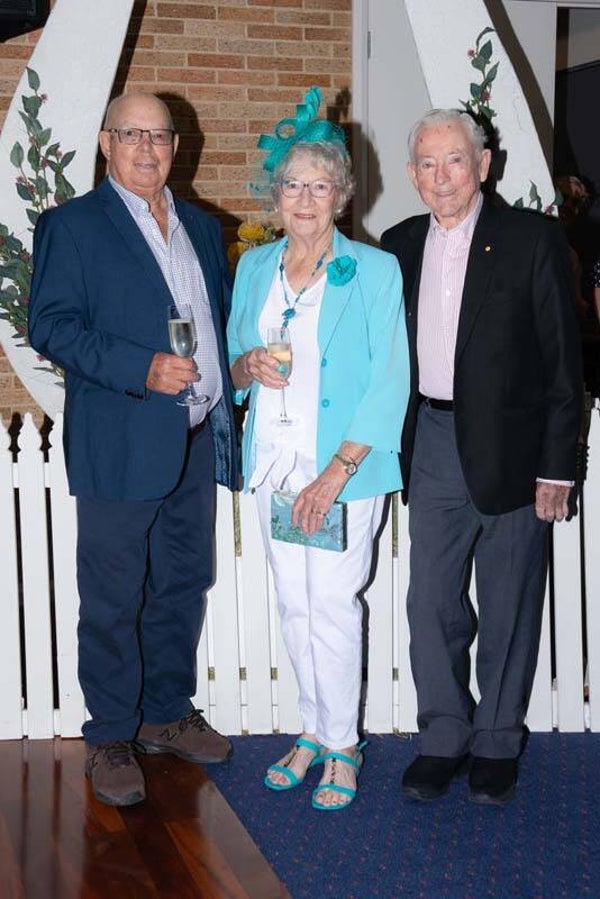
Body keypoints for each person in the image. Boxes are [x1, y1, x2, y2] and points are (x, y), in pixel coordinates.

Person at [28, 92, 238, 807]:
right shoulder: (73, 225)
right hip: (120, 437)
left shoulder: (201, 227)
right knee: (114, 593)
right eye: (132, 135)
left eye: (159, 136)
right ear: (105, 142)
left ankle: (164, 711)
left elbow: (216, 320)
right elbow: (52, 326)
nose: (148, 148)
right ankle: (111, 733)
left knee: (182, 579)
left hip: (193, 435)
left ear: (176, 146)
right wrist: (141, 367)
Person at [381, 109, 582, 806]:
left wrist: (557, 466)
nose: (442, 176)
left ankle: (495, 741)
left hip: (517, 452)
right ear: (413, 174)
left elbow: (564, 363)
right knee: (430, 600)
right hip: (432, 440)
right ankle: (443, 735)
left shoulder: (532, 239)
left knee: (510, 600)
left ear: (484, 164)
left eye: (455, 160)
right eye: (427, 164)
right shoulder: (398, 244)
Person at [227, 87, 409, 811]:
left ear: (342, 194)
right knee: (294, 603)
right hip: (276, 464)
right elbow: (236, 361)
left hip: (342, 470)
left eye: (320, 185)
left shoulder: (374, 270)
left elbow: (390, 379)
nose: (304, 198)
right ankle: (312, 728)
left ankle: (342, 745)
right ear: (276, 195)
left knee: (332, 602)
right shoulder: (254, 267)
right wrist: (248, 366)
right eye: (292, 185)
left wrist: (335, 472)